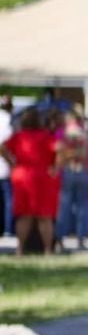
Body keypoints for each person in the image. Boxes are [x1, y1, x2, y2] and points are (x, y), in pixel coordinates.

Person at [0, 106, 61, 255]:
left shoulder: (19, 136)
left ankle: (20, 249)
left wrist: (12, 163)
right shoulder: (46, 136)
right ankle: (47, 250)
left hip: (22, 176)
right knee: (44, 216)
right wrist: (56, 167)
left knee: (24, 215)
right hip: (43, 177)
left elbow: (2, 147)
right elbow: (60, 149)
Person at [54, 110, 88, 250]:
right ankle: (81, 238)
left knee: (64, 205)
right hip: (82, 171)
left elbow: (60, 153)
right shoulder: (85, 134)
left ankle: (59, 238)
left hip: (68, 170)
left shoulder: (63, 133)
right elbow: (87, 155)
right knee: (83, 206)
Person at [0, 95, 13, 237]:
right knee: (9, 201)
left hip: (4, 166)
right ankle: (8, 229)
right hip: (5, 167)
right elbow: (4, 146)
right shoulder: (8, 120)